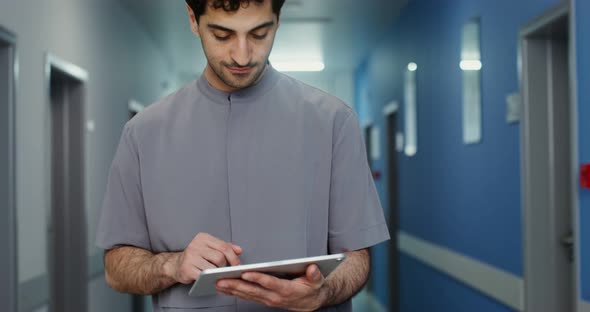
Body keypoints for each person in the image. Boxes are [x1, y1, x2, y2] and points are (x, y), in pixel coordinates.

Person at [95, 0, 390, 311]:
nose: (242, 55)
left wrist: (323, 293)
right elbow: (117, 268)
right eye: (222, 36)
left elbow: (358, 257)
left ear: (277, 21)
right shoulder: (143, 133)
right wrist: (172, 264)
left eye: (259, 34)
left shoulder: (333, 121)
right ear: (193, 20)